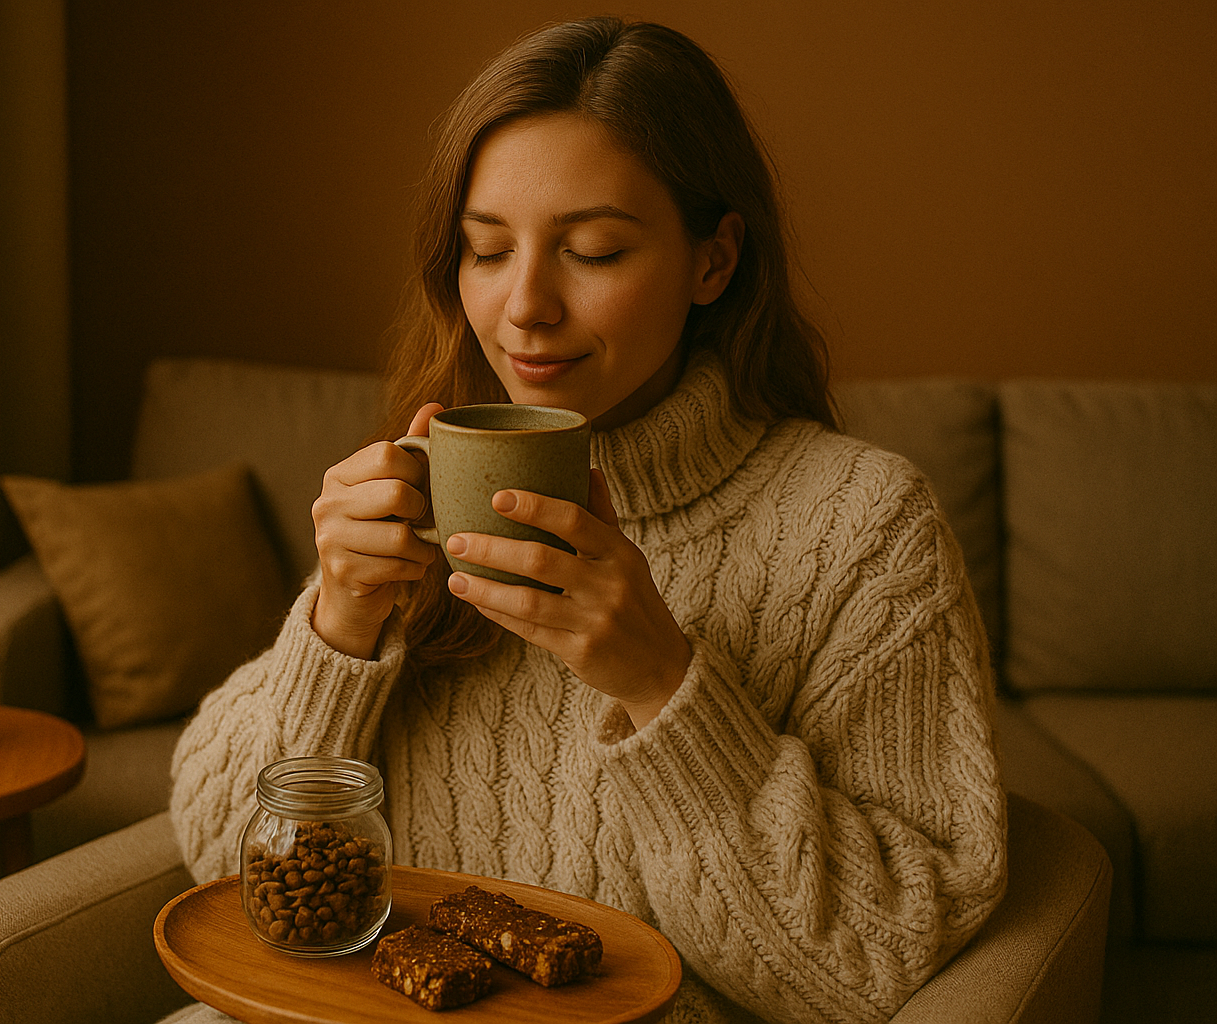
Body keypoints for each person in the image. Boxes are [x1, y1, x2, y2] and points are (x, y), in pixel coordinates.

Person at [168, 16, 1005, 1024]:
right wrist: (336, 629)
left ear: (714, 259)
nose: (524, 306)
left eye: (594, 251)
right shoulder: (423, 492)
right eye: (486, 250)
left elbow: (873, 962)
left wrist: (663, 684)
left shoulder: (863, 526)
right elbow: (221, 862)